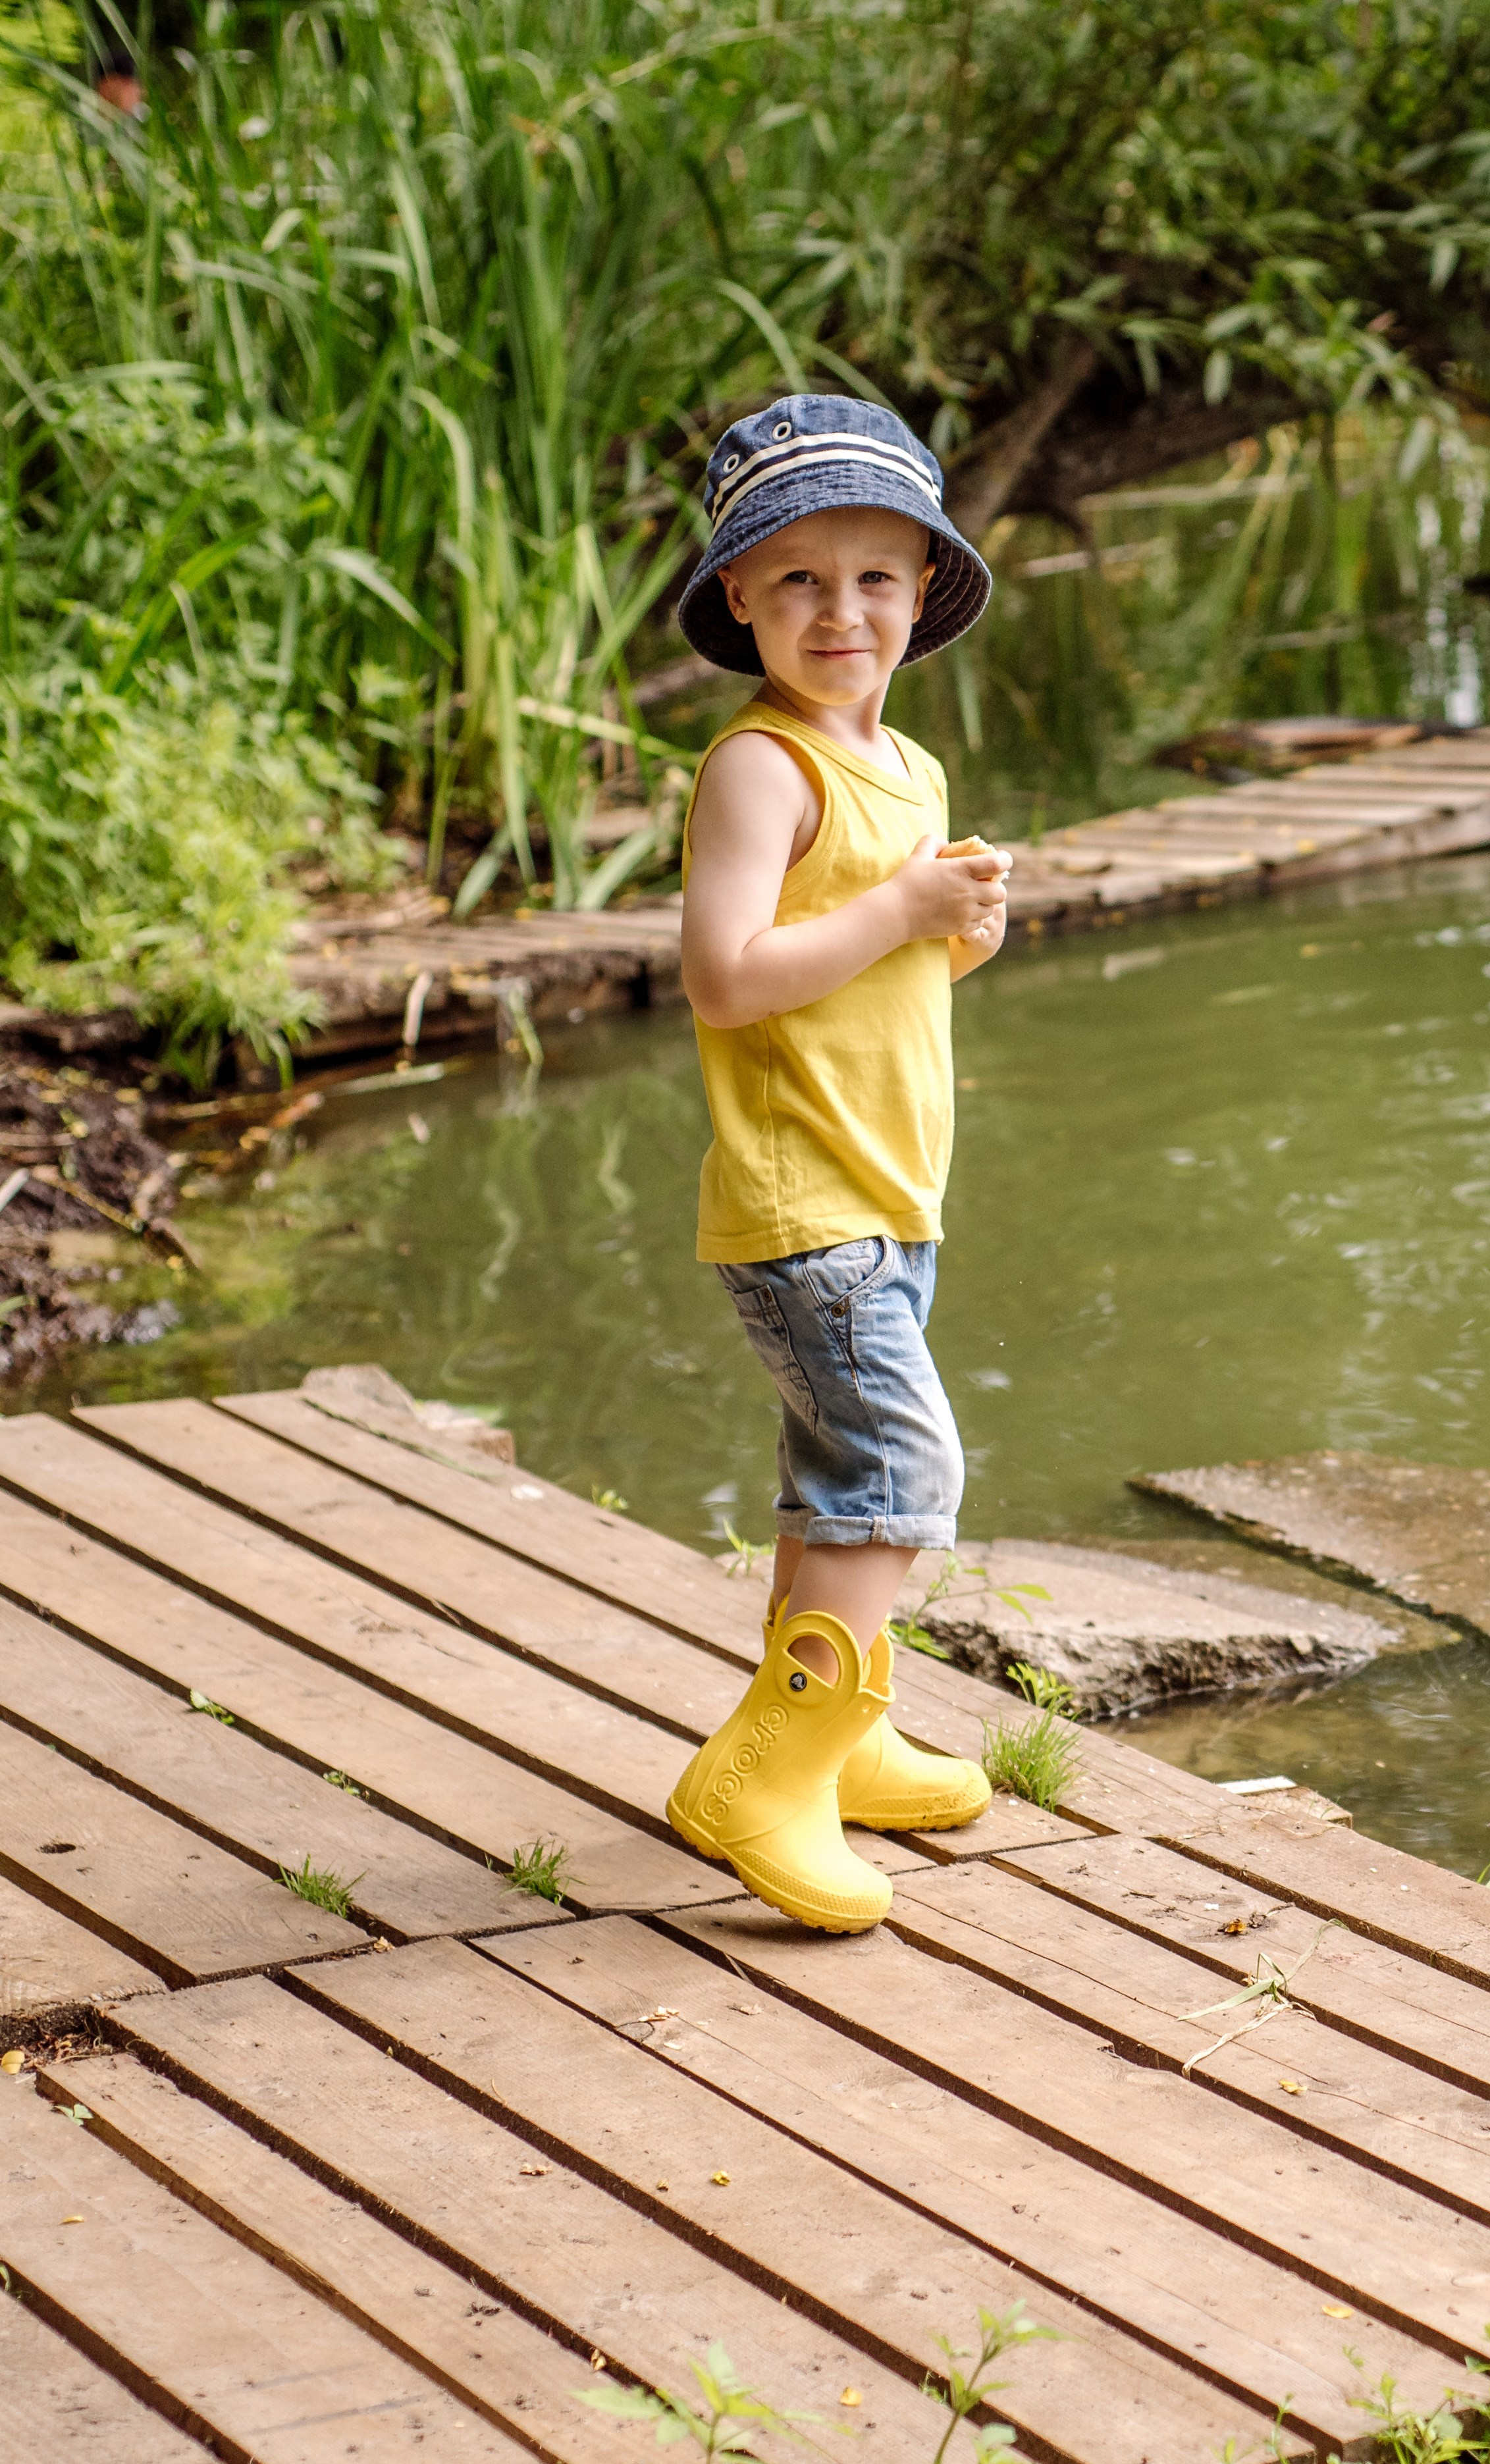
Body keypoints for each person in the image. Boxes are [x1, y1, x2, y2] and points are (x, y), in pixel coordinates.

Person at [664, 394, 1011, 1935]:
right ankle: (763, 1779)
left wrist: (958, 933)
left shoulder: (907, 766)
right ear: (739, 594)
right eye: (797, 578)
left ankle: (842, 1740)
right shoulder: (760, 767)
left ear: (924, 587)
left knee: (833, 1483)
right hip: (806, 1207)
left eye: (875, 576)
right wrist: (895, 911)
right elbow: (728, 975)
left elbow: (871, 971)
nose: (839, 610)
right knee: (902, 1470)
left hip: (883, 1193)